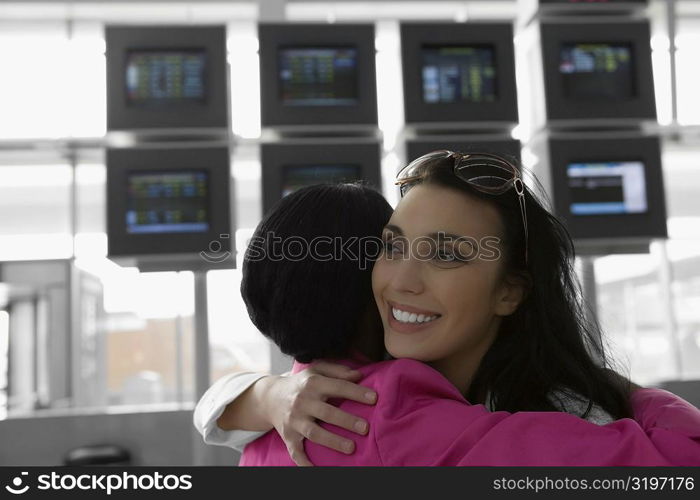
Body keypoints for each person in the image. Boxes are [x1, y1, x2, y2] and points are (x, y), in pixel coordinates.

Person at [195, 152, 700, 466]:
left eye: (445, 255)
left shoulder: (569, 416)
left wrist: (263, 394)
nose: (402, 281)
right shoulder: (338, 405)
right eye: (390, 248)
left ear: (511, 291)